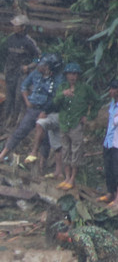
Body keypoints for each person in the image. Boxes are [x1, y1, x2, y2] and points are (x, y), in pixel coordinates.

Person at [0, 54, 58, 166]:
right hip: (33, 109)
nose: (38, 66)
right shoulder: (35, 74)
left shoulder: (56, 79)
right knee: (20, 131)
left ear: (47, 67)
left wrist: (46, 111)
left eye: (41, 65)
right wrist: (27, 101)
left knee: (45, 139)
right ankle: (2, 155)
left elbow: (55, 98)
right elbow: (24, 86)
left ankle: (41, 163)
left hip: (47, 110)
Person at [53, 63, 95, 191]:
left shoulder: (85, 88)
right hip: (64, 123)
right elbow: (54, 102)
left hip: (76, 123)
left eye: (75, 74)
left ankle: (73, 178)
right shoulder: (62, 87)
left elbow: (96, 101)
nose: (73, 76)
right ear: (66, 75)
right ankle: (67, 177)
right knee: (65, 149)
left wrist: (89, 116)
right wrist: (63, 94)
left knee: (76, 150)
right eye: (70, 74)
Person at [3, 17, 41, 128]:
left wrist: (29, 67)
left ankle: (16, 120)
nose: (14, 28)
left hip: (22, 73)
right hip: (10, 72)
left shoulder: (28, 42)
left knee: (18, 97)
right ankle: (6, 118)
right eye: (14, 25)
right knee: (9, 96)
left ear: (23, 27)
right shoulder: (10, 39)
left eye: (17, 26)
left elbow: (38, 58)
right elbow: (6, 55)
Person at [104, 80, 118, 205]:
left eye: (114, 89)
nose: (111, 91)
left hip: (117, 142)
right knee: (108, 167)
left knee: (116, 169)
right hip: (108, 141)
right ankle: (110, 193)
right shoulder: (113, 103)